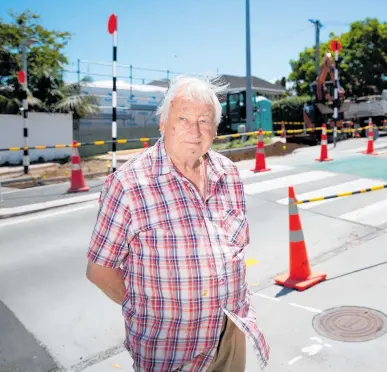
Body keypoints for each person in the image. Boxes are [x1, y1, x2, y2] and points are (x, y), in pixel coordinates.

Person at [85, 75, 270, 371]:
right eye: (183, 118)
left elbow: (234, 249)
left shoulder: (229, 174)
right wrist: (148, 313)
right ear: (162, 123)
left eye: (204, 120)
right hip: (171, 350)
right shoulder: (128, 185)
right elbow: (99, 270)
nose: (194, 131)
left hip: (230, 333)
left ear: (215, 128)